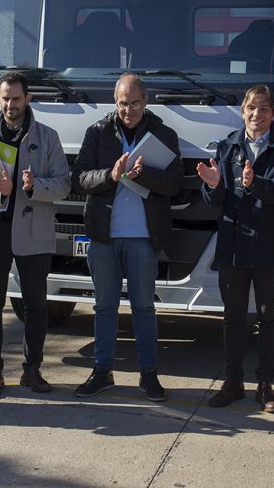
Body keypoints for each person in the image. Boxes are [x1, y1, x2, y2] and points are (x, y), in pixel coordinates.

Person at [71, 73, 183, 401]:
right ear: (115, 102)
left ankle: (149, 375)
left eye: (135, 103)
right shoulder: (97, 132)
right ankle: (102, 371)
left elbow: (174, 184)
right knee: (104, 306)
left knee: (144, 308)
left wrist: (144, 174)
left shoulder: (164, 134)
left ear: (145, 102)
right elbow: (79, 179)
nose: (129, 109)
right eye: (123, 103)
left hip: (143, 238)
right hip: (103, 237)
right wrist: (112, 175)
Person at [0, 72, 71, 398]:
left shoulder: (47, 138)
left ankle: (31, 369)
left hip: (32, 232)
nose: (10, 105)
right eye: (5, 98)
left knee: (37, 305)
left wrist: (35, 186)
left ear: (28, 99)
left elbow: (64, 183)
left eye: (17, 99)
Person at [197, 85, 274, 413]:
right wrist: (212, 185)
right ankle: (233, 382)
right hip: (233, 246)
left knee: (269, 317)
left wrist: (254, 183)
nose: (257, 115)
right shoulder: (228, 146)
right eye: (252, 109)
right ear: (243, 111)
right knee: (233, 317)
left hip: (268, 247)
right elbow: (217, 200)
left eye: (265, 109)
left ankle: (265, 385)